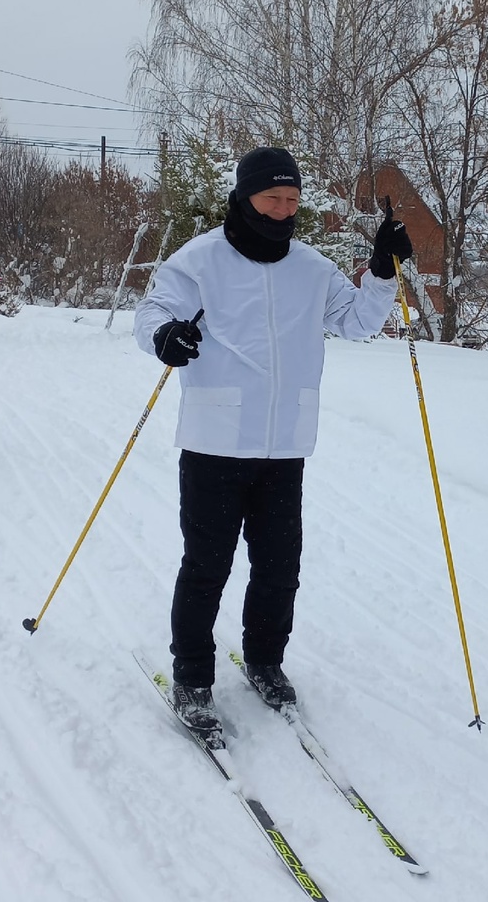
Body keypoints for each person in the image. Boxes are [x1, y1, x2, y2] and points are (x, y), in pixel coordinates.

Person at [133, 147, 412, 740]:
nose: (284, 211)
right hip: (215, 442)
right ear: (245, 196)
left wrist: (383, 271)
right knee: (207, 566)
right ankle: (192, 677)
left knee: (280, 569)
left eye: (292, 200)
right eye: (272, 198)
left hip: (284, 445)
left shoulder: (311, 268)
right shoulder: (202, 260)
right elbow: (154, 309)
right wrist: (165, 335)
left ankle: (264, 660)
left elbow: (358, 322)